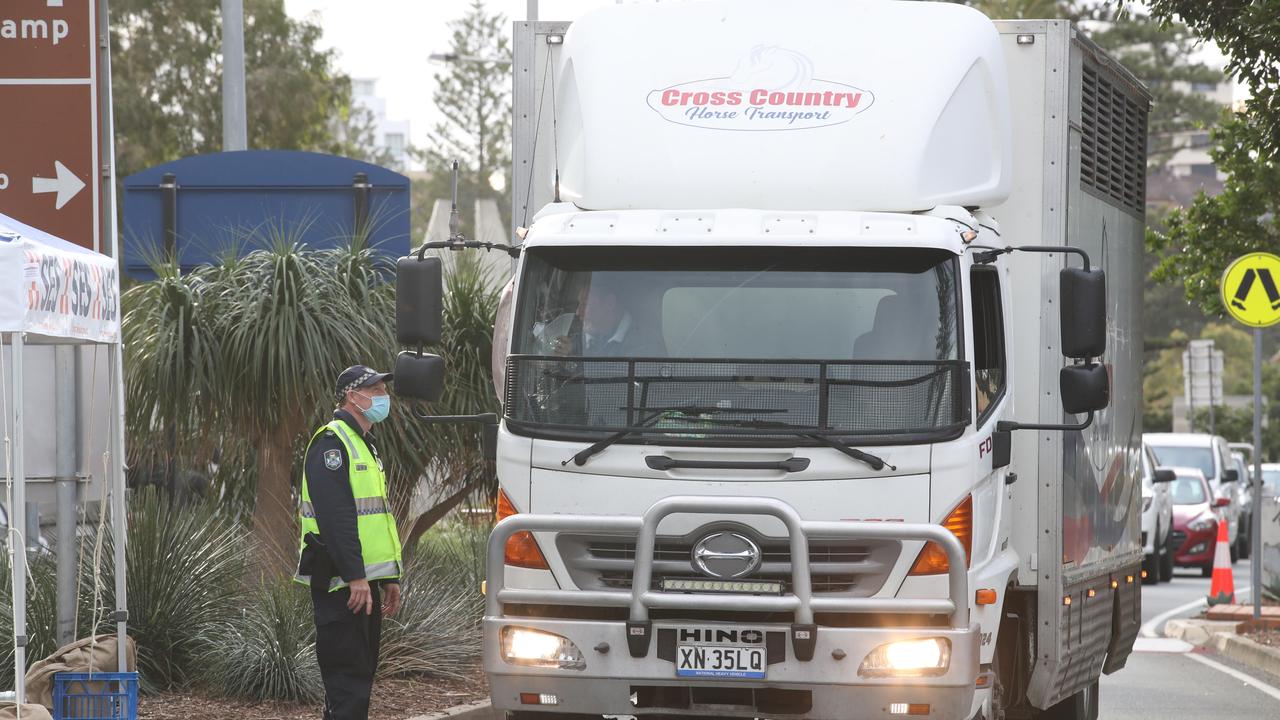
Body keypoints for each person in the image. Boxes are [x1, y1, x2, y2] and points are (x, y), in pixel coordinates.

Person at [295, 365, 404, 720]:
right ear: (351, 397)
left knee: (358, 683)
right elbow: (336, 519)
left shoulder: (363, 445)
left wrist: (387, 578)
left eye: (382, 390)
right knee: (346, 687)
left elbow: (374, 520)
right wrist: (356, 576)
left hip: (362, 584)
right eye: (373, 390)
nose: (381, 397)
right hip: (343, 585)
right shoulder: (332, 443)